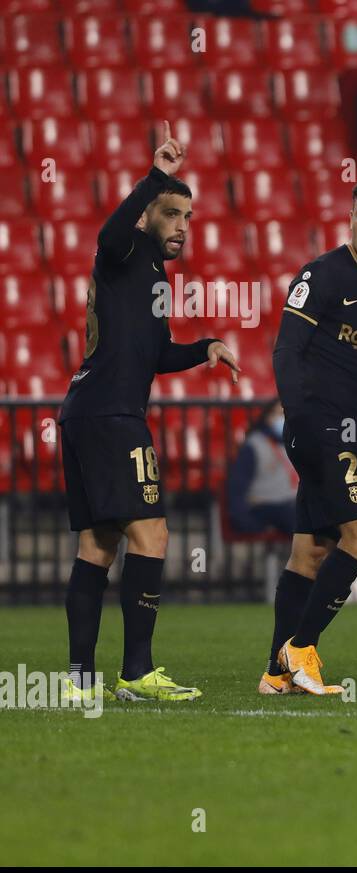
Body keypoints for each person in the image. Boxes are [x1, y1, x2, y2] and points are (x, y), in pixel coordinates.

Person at [58, 122, 240, 703]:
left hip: (85, 411)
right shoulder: (125, 247)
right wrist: (155, 175)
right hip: (112, 415)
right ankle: (137, 672)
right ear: (147, 215)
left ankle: (79, 680)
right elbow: (109, 234)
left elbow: (155, 352)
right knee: (153, 531)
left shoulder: (152, 273)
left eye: (188, 218)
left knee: (97, 546)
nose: (183, 227)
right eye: (171, 214)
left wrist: (203, 348)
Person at [260, 172, 357, 695]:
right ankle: (301, 648)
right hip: (318, 426)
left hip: (346, 430)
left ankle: (276, 675)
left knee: (310, 553)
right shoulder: (321, 275)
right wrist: (299, 421)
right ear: (350, 216)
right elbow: (285, 350)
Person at [227, 400, 296, 535]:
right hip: (265, 507)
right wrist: (246, 522)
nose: (285, 419)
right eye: (280, 414)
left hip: (292, 504)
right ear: (268, 417)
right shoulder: (254, 446)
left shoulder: (293, 443)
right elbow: (237, 488)